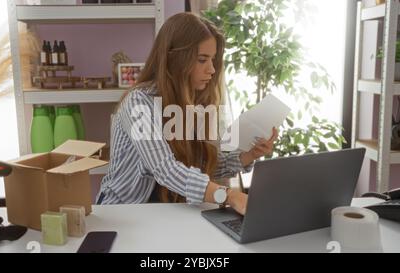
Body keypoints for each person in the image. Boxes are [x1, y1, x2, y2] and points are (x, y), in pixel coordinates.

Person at [96, 12, 278, 215]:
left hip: (168, 211)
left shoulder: (194, 103)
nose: (211, 70)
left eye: (212, 60)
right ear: (176, 59)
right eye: (202, 60)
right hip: (124, 213)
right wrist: (229, 195)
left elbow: (204, 166)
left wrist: (248, 155)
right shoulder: (139, 103)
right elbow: (166, 170)